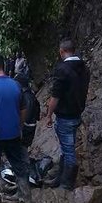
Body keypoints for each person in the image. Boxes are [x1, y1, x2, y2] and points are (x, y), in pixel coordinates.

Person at [0, 53, 33, 203]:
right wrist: (19, 125)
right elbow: (24, 109)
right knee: (19, 165)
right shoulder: (16, 84)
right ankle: (25, 196)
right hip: (13, 133)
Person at [43, 39, 90, 190]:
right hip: (77, 113)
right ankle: (60, 178)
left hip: (65, 116)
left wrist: (49, 115)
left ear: (62, 51)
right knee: (66, 147)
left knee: (68, 151)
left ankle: (66, 184)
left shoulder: (63, 69)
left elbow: (55, 96)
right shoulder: (84, 68)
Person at [15, 72, 40, 148]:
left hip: (27, 128)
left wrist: (20, 127)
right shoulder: (30, 94)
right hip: (30, 126)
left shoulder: (26, 96)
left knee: (22, 148)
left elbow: (26, 115)